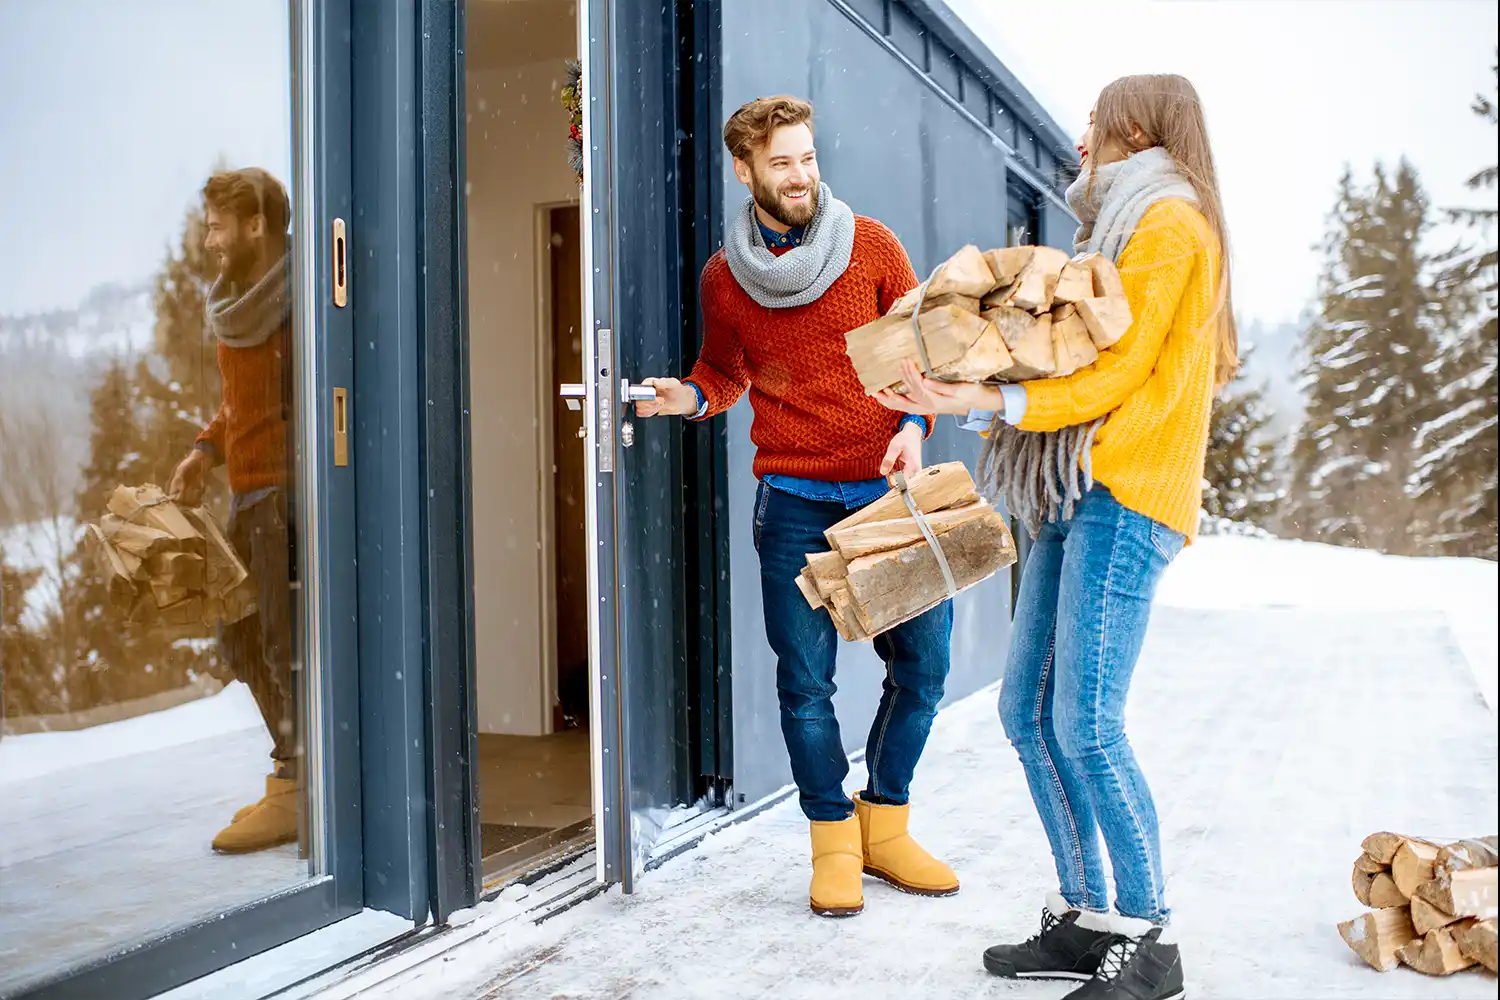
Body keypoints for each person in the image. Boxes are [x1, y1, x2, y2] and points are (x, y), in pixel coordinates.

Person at [878, 74, 1234, 999]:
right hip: (1067, 492)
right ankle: (1085, 919)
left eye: (1093, 121)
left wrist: (984, 397)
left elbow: (1115, 375)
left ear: (1136, 129)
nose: (1082, 138)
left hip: (1123, 492)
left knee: (1086, 725)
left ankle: (1150, 938)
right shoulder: (1109, 228)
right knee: (1026, 717)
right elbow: (1063, 361)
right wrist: (962, 387)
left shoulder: (1169, 228)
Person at [634, 95, 959, 918]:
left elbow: (922, 351)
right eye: (782, 163)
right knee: (806, 684)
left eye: (808, 157)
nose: (802, 176)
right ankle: (832, 839)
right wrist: (686, 399)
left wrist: (916, 426)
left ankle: (885, 824)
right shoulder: (726, 278)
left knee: (922, 670)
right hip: (794, 500)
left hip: (887, 493)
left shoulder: (874, 247)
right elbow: (724, 373)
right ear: (744, 171)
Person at [169, 168, 299, 855]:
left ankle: (299, 787)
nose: (210, 238)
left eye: (219, 224)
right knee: (243, 642)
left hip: (286, 496)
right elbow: (235, 404)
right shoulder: (239, 307)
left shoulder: (300, 302)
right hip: (248, 494)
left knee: (274, 643)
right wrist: (202, 451)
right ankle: (293, 778)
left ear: (256, 225)